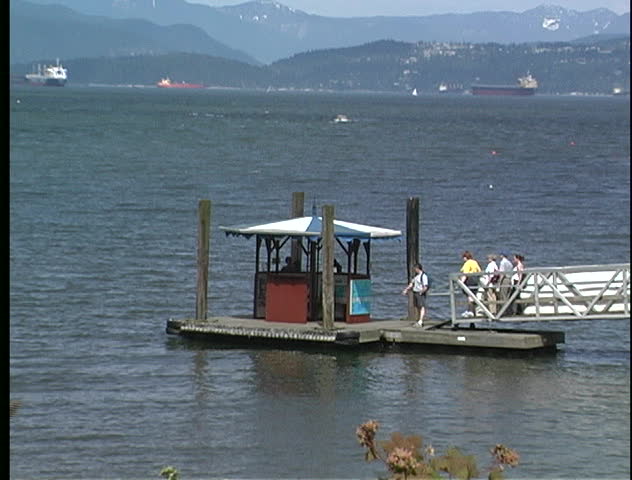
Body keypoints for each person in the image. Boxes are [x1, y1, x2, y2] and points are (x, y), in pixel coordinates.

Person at [402, 263, 429, 327]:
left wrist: (421, 292)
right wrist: (406, 290)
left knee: (422, 306)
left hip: (420, 293)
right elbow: (412, 283)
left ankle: (420, 321)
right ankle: (419, 319)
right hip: (415, 292)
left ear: (417, 269)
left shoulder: (424, 276)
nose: (414, 270)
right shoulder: (416, 276)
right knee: (417, 306)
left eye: (415, 269)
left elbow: (425, 286)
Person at [459, 251, 481, 317]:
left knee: (469, 296)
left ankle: (470, 311)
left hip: (469, 280)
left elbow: (465, 274)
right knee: (473, 295)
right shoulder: (475, 262)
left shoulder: (467, 263)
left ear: (465, 257)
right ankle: (473, 312)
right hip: (475, 280)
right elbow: (479, 271)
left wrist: (461, 283)